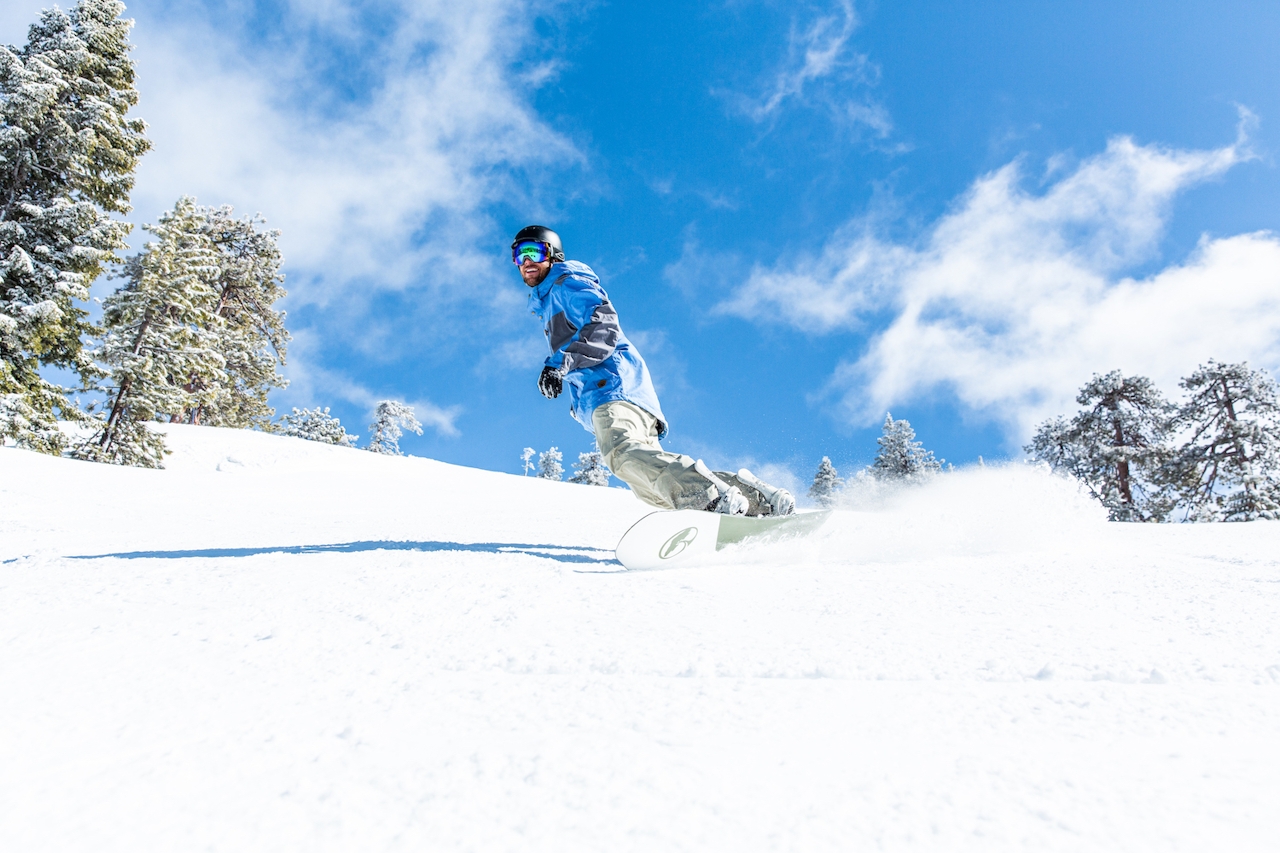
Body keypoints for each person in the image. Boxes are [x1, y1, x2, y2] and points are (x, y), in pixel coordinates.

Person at [513, 225, 794, 517]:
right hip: (620, 393)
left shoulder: (565, 283)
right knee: (652, 487)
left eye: (535, 251)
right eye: (520, 256)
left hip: (610, 388)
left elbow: (603, 325)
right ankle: (759, 500)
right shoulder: (549, 300)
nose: (527, 261)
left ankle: (710, 497)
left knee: (621, 455)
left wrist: (559, 365)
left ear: (553, 255)